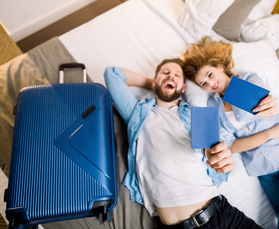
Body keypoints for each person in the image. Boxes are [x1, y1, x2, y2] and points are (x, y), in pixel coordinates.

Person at [104, 59, 265, 228]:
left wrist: (221, 157)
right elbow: (112, 74)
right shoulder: (138, 113)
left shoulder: (197, 113)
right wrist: (153, 84)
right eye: (165, 73)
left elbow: (216, 151)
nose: (170, 77)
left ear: (184, 88)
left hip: (225, 214)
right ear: (155, 80)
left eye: (177, 75)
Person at [181, 37, 279, 229]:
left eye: (210, 75)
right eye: (203, 84)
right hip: (266, 172)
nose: (210, 84)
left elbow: (251, 109)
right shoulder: (212, 105)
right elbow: (231, 147)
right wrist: (269, 134)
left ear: (220, 67)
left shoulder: (248, 78)